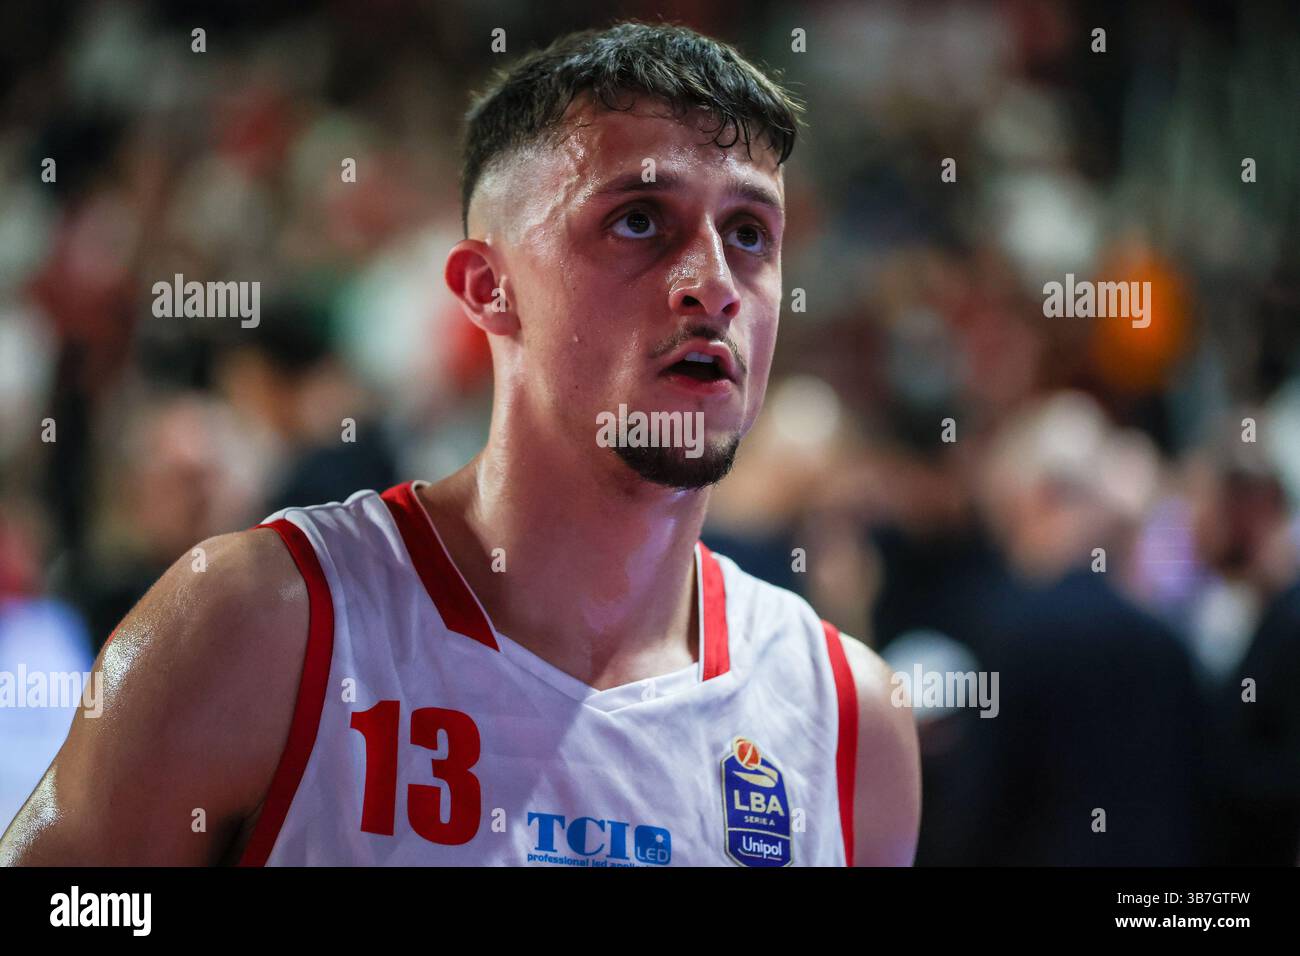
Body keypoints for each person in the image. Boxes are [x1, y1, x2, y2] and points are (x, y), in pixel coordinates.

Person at [0, 22, 919, 867]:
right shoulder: (259, 624)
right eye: (639, 219)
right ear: (488, 288)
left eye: (750, 233)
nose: (713, 285)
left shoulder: (849, 721)